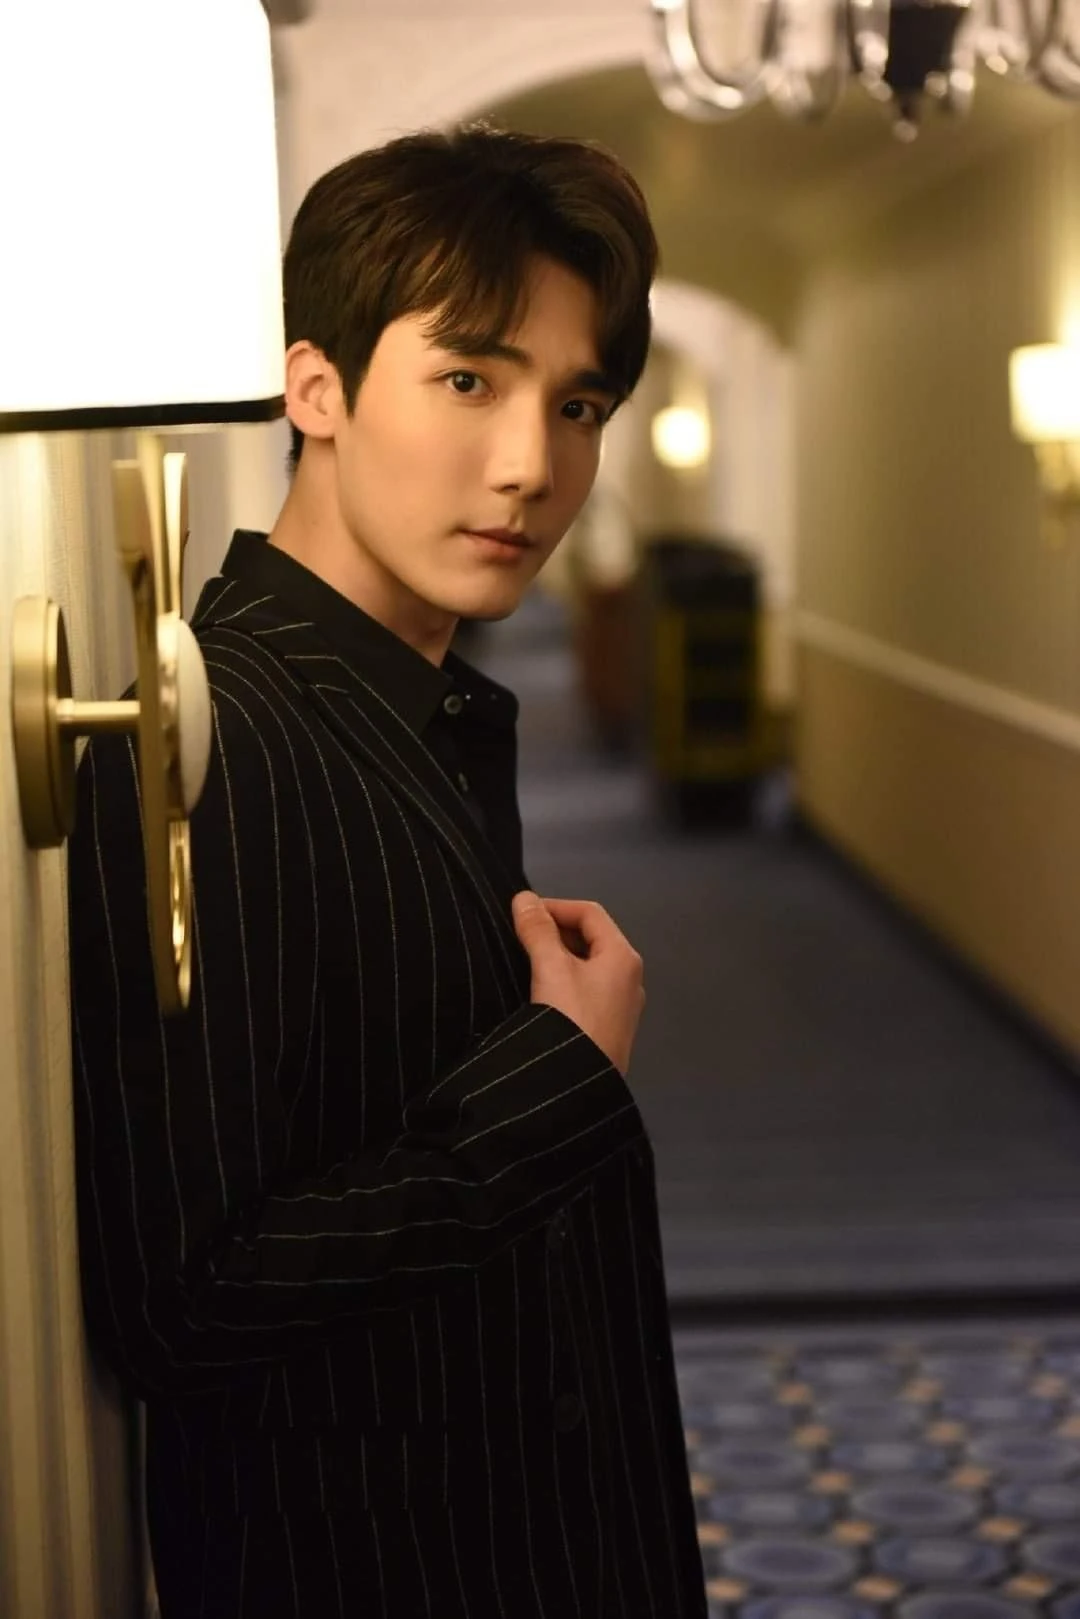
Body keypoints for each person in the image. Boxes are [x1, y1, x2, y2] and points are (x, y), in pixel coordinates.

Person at [69, 124, 708, 1618]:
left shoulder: (412, 710)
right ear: (317, 389)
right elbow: (184, 1300)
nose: (532, 466)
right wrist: (558, 1080)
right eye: (469, 380)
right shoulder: (223, 736)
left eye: (578, 404)